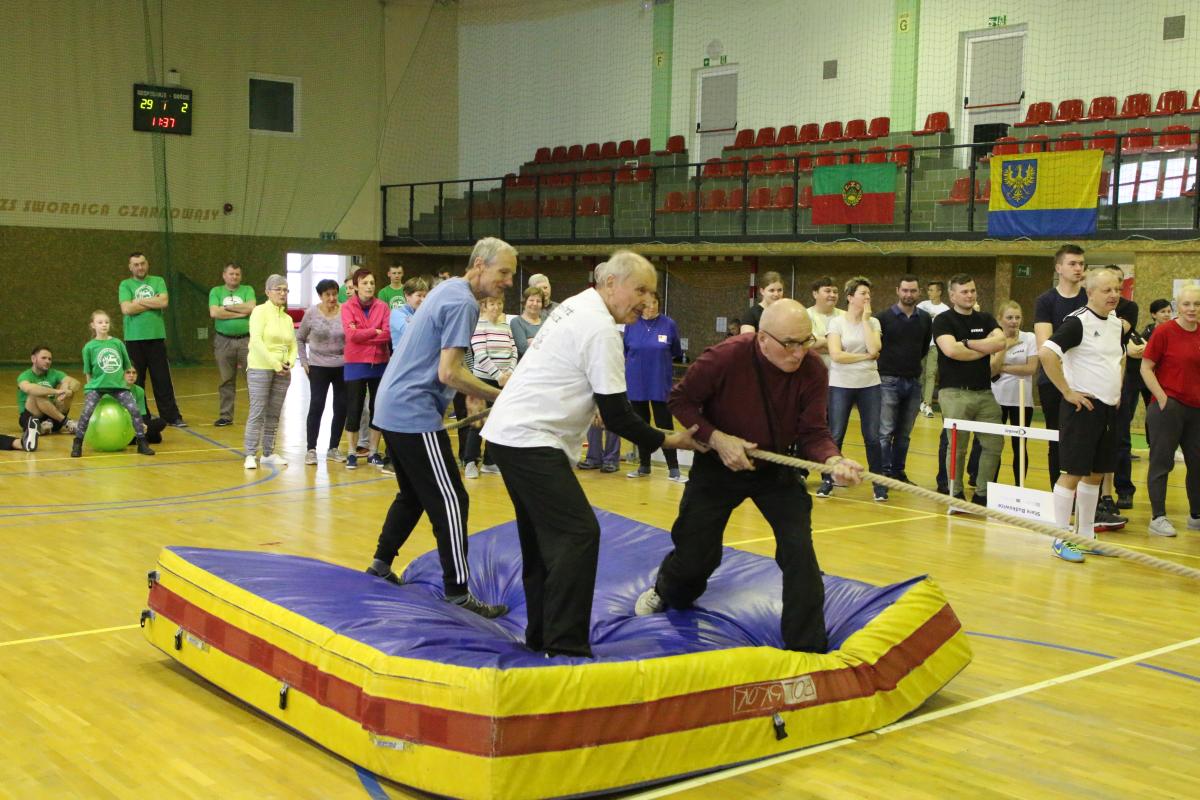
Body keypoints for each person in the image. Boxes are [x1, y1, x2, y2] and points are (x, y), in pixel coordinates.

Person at [482, 252, 704, 657]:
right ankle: (565, 645)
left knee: (541, 541)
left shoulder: (577, 304)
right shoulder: (601, 327)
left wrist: (595, 401)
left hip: (509, 435)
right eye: (640, 290)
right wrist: (668, 440)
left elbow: (576, 375)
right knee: (578, 534)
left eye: (652, 292)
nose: (646, 300)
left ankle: (541, 636)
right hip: (529, 440)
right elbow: (619, 415)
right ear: (611, 283)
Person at [635, 299, 864, 652]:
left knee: (799, 554)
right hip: (718, 465)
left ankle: (806, 647)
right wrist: (717, 438)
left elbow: (813, 431)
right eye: (789, 343)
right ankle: (667, 591)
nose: (799, 353)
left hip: (775, 469)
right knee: (697, 557)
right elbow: (681, 401)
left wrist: (834, 460)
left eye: (805, 341)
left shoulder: (813, 369)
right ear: (762, 339)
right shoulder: (725, 357)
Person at [366, 237, 516, 618]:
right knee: (452, 500)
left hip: (392, 406)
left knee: (413, 495)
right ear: (479, 265)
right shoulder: (464, 302)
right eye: (504, 272)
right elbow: (449, 372)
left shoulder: (447, 289)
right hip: (412, 412)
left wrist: (475, 394)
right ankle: (458, 593)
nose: (509, 282)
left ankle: (380, 564)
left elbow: (447, 367)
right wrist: (497, 395)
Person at [1039, 268, 1126, 562]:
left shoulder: (1115, 323)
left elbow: (1119, 359)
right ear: (1090, 293)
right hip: (1081, 409)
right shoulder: (1077, 322)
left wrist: (1116, 390)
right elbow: (1047, 354)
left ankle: (1086, 535)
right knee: (1073, 473)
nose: (1114, 295)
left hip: (1107, 409)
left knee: (1096, 474)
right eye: (1107, 290)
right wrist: (1067, 391)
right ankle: (1061, 538)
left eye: (1117, 289)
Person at [932, 273, 1006, 504]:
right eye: (964, 291)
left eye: (972, 290)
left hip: (985, 392)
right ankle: (955, 493)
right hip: (954, 393)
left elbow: (1001, 342)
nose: (970, 295)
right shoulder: (943, 320)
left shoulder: (985, 318)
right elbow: (952, 351)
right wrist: (985, 348)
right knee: (957, 447)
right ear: (952, 295)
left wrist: (967, 343)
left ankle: (982, 495)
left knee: (994, 444)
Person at [1140, 284, 1200, 538]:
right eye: (1187, 304)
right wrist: (1163, 398)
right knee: (1161, 462)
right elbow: (1146, 368)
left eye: (1197, 304)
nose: (1192, 309)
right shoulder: (1164, 331)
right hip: (1168, 407)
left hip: (1196, 410)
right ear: (1177, 306)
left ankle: (1196, 515)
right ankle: (1158, 517)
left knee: (1197, 463)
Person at [820, 277, 886, 500]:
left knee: (873, 437)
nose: (867, 297)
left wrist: (866, 320)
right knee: (836, 434)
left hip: (869, 384)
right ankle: (828, 480)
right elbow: (836, 355)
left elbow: (875, 348)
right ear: (850, 297)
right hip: (841, 384)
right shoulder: (836, 323)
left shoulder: (873, 322)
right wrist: (865, 357)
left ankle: (879, 484)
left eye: (868, 294)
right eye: (862, 293)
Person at [967, 301, 1037, 486]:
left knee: (1020, 445)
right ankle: (991, 485)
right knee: (993, 445)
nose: (1014, 321)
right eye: (1009, 317)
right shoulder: (993, 339)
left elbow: (1030, 368)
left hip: (1022, 400)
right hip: (997, 398)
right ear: (1000, 319)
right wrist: (1005, 347)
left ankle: (1019, 486)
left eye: (1017, 317)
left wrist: (1004, 367)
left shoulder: (1030, 338)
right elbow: (991, 370)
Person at [1034, 244, 1087, 488]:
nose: (1078, 268)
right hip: (1053, 381)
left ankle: (1087, 496)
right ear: (1059, 268)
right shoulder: (1046, 301)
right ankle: (1059, 492)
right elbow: (1045, 345)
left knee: (1085, 440)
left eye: (1081, 264)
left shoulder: (1089, 298)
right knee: (1057, 439)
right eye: (1072, 263)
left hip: (1086, 380)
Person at [70, 310, 155, 458]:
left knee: (134, 410)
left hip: (118, 387)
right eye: (100, 322)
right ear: (93, 325)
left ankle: (142, 442)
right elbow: (88, 372)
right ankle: (77, 443)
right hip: (97, 387)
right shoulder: (89, 347)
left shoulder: (117, 343)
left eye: (106, 322)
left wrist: (124, 385)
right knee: (86, 413)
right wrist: (90, 389)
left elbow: (126, 366)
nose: (104, 325)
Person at [624, 289, 686, 482]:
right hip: (636, 383)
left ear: (659, 304)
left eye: (654, 303)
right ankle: (644, 466)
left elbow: (676, 351)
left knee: (664, 425)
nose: (651, 307)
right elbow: (626, 350)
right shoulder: (631, 324)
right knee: (641, 425)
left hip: (660, 383)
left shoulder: (669, 324)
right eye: (647, 304)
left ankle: (673, 469)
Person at [875, 274, 932, 484]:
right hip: (887, 381)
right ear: (898, 291)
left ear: (919, 292)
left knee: (904, 434)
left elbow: (923, 348)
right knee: (885, 431)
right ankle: (882, 475)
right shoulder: (882, 318)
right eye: (905, 290)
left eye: (913, 290)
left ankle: (898, 472)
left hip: (913, 382)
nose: (909, 294)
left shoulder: (925, 318)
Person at [119, 252, 185, 426]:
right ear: (130, 267)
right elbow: (127, 309)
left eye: (142, 263)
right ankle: (141, 416)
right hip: (134, 340)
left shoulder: (158, 281)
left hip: (156, 339)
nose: (140, 267)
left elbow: (163, 302)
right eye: (136, 264)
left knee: (162, 380)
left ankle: (171, 416)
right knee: (136, 380)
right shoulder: (125, 284)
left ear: (147, 264)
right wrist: (152, 300)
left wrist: (138, 302)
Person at [243, 275, 297, 470]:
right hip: (260, 368)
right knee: (257, 412)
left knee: (274, 413)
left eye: (285, 290)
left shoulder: (287, 318)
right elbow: (256, 341)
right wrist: (275, 363)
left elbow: (293, 344)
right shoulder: (259, 312)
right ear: (268, 292)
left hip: (282, 371)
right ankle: (250, 454)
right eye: (278, 289)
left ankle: (268, 453)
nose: (282, 293)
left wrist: (289, 362)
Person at [462, 296, 517, 478]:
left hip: (504, 381)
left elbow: (513, 350)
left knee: (497, 423)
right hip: (483, 381)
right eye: (492, 304)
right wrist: (498, 375)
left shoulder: (505, 326)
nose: (496, 307)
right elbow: (480, 355)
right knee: (478, 423)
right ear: (484, 306)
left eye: (499, 303)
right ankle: (470, 461)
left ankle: (490, 462)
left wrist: (509, 373)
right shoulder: (479, 326)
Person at [341, 268, 391, 469]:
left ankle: (373, 451)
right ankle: (352, 452)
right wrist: (374, 331)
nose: (369, 286)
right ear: (355, 286)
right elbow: (351, 335)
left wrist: (364, 333)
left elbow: (387, 334)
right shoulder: (347, 307)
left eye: (372, 283)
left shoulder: (383, 307)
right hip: (355, 364)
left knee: (377, 409)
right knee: (354, 409)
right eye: (364, 283)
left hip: (379, 364)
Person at [297, 278, 348, 465]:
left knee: (341, 407)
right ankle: (311, 449)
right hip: (318, 366)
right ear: (320, 296)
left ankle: (333, 448)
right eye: (328, 295)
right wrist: (304, 361)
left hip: (342, 366)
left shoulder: (345, 311)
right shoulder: (311, 313)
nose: (332, 298)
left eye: (335, 294)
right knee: (317, 405)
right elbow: (300, 338)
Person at [208, 262, 256, 426]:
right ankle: (226, 416)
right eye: (231, 274)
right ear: (224, 275)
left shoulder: (248, 290)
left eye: (237, 274)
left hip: (246, 341)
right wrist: (240, 313)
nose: (234, 277)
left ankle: (256, 416)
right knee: (226, 379)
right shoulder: (216, 291)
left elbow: (251, 308)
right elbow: (214, 312)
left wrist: (226, 308)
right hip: (223, 341)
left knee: (253, 379)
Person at [17, 346, 80, 435]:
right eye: (44, 358)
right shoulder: (25, 376)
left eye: (49, 359)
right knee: (36, 393)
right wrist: (56, 391)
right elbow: (29, 388)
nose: (47, 361)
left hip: (53, 418)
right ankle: (67, 422)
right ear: (33, 359)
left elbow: (76, 383)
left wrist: (66, 387)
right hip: (33, 418)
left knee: (70, 390)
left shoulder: (54, 373)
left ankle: (47, 425)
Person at [917, 280, 949, 417]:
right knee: (921, 374)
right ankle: (922, 401)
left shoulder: (945, 309)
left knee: (931, 374)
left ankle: (928, 404)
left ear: (939, 292)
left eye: (932, 290)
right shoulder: (922, 305)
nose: (929, 292)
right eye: (928, 290)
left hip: (935, 345)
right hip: (921, 344)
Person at [806, 276, 844, 368]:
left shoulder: (845, 316)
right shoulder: (804, 315)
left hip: (842, 371)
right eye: (828, 291)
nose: (832, 295)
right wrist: (835, 345)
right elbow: (805, 345)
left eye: (835, 292)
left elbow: (850, 346)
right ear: (815, 294)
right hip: (813, 369)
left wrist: (820, 343)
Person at [125, 366, 168, 444]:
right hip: (121, 424)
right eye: (128, 372)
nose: (131, 375)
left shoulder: (139, 390)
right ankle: (138, 437)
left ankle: (135, 438)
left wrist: (143, 425)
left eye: (134, 373)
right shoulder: (115, 390)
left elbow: (142, 414)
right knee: (155, 437)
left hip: (135, 423)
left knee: (161, 422)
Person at [388, 276, 430, 350]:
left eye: (424, 296)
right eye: (419, 295)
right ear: (407, 295)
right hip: (403, 356)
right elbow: (412, 333)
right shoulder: (396, 313)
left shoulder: (424, 313)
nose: (423, 299)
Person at [509, 287, 545, 358]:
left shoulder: (546, 322)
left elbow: (553, 346)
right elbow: (523, 349)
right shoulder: (516, 322)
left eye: (538, 301)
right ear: (524, 302)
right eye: (531, 300)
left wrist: (532, 341)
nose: (535, 304)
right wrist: (542, 342)